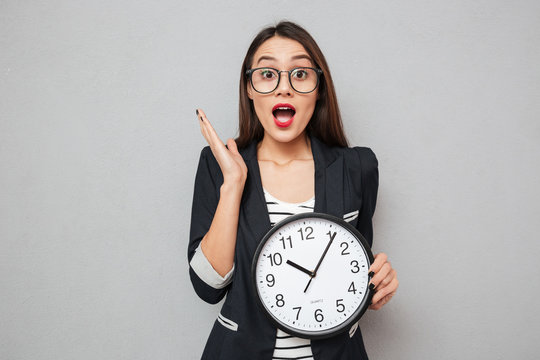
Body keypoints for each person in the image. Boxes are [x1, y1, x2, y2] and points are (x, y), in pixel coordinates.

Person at [188, 21, 398, 360]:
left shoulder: (357, 168)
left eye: (299, 74)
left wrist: (376, 284)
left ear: (319, 89)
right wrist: (233, 185)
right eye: (268, 74)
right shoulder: (220, 165)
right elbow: (207, 288)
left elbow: (352, 266)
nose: (283, 88)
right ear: (249, 89)